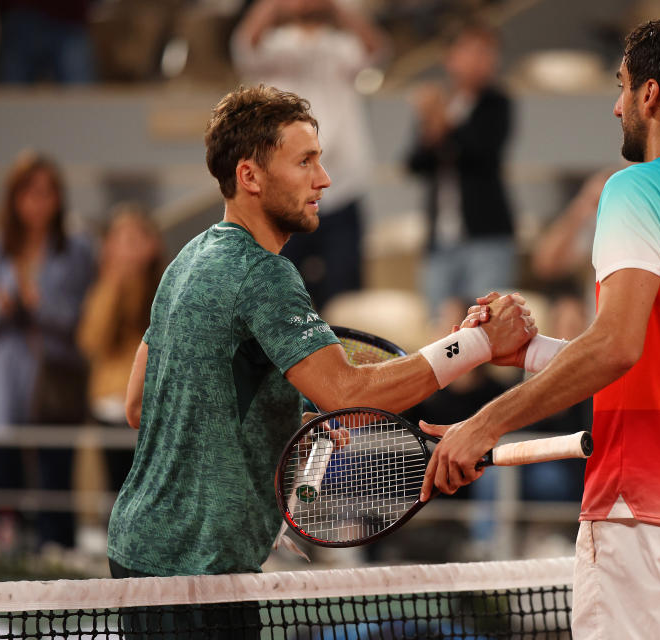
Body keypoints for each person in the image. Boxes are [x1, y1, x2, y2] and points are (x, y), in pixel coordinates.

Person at [418, 19, 660, 639]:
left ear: (650, 95)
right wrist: (531, 354)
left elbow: (615, 345)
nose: (616, 107)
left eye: (622, 87)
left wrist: (481, 425)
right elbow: (657, 356)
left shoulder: (636, 187)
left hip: (641, 514)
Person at [106, 85, 534, 588]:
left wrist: (279, 421)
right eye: (305, 162)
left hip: (135, 549)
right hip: (198, 570)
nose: (324, 180)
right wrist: (477, 346)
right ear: (250, 177)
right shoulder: (264, 274)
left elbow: (141, 405)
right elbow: (347, 393)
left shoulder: (187, 259)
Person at [232, 0, 387, 312]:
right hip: (284, 192)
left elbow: (378, 52)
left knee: (346, 299)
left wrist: (334, 7)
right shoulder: (275, 45)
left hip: (341, 185)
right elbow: (243, 49)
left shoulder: (342, 44)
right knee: (276, 295)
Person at [0, 152, 95, 551]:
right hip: (2, 384)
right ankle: (6, 547)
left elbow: (84, 321)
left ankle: (56, 550)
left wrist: (39, 304)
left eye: (47, 192)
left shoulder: (77, 247)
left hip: (56, 379)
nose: (38, 201)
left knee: (55, 475)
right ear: (14, 198)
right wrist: (0, 307)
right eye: (29, 192)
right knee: (2, 474)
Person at [406, 20, 516, 316]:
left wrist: (440, 121)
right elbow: (416, 163)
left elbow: (479, 151)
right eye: (473, 51)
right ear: (450, 58)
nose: (483, 60)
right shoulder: (442, 105)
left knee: (488, 323)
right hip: (440, 239)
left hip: (487, 235)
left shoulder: (497, 103)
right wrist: (434, 126)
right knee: (439, 329)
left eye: (489, 52)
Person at [77, 205, 164, 489]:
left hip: (153, 405)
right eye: (120, 240)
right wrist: (114, 281)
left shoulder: (165, 286)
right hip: (109, 405)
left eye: (135, 239)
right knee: (116, 491)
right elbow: (91, 340)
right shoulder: (102, 288)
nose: (127, 249)